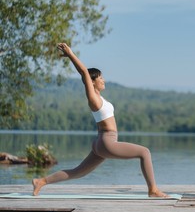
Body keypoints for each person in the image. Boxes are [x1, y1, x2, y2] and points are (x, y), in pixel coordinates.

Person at [32, 43, 167, 197]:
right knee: (144, 152)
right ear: (92, 82)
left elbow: (86, 75)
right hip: (106, 142)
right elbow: (84, 72)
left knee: (77, 172)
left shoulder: (100, 98)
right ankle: (153, 190)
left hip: (101, 143)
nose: (103, 80)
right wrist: (70, 54)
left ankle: (41, 181)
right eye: (100, 78)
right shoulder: (93, 99)